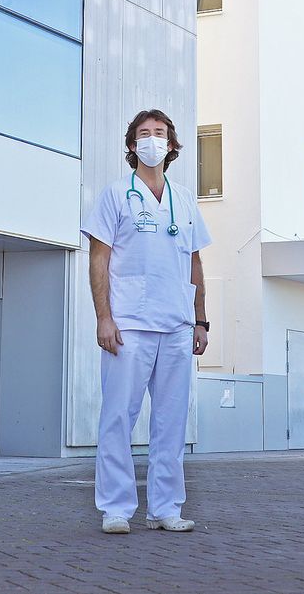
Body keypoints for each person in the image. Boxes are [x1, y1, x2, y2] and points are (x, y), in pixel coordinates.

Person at [85, 109, 212, 534]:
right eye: (144, 134)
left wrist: (201, 321)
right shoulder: (116, 194)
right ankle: (116, 508)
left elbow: (195, 262)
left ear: (172, 145)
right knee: (118, 417)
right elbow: (98, 259)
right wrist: (104, 317)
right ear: (132, 145)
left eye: (160, 133)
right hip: (129, 326)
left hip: (176, 325)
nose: (152, 140)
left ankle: (165, 507)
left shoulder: (186, 199)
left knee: (171, 422)